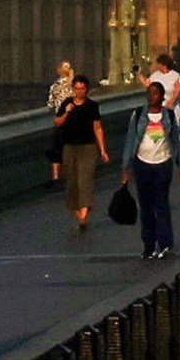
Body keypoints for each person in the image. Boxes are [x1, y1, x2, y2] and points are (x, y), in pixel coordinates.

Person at [126, 80, 180, 260]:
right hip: (142, 164)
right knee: (146, 206)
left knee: (162, 204)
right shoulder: (138, 115)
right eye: (149, 93)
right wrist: (125, 166)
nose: (152, 97)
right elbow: (130, 141)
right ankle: (149, 246)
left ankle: (166, 244)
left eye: (155, 93)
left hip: (163, 163)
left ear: (161, 96)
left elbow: (175, 140)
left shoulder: (169, 116)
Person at [49, 64, 109, 233]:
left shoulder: (92, 106)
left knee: (85, 179)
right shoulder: (67, 103)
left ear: (86, 90)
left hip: (88, 147)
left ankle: (83, 214)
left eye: (82, 89)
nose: (79, 91)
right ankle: (78, 210)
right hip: (70, 147)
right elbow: (57, 122)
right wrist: (67, 112)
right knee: (73, 181)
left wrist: (103, 150)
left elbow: (97, 128)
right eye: (76, 89)